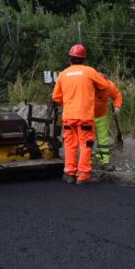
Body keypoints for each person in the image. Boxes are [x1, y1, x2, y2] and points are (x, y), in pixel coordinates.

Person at [51, 44, 111, 185]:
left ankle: (70, 173)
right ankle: (83, 176)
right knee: (85, 145)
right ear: (83, 59)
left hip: (69, 116)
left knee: (70, 145)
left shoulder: (63, 74)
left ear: (70, 58)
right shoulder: (89, 71)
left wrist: (67, 103)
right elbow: (105, 86)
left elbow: (56, 97)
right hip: (85, 117)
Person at [93, 73, 123, 171]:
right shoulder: (87, 85)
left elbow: (117, 95)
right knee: (87, 141)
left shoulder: (109, 85)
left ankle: (105, 162)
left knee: (103, 140)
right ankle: (87, 164)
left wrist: (117, 107)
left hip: (102, 117)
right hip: (87, 117)